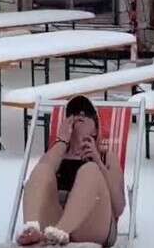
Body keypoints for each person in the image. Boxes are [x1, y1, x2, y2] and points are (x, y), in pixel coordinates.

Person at [15, 95, 125, 246]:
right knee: (42, 170)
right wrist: (62, 141)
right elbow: (37, 183)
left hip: (92, 224)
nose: (79, 115)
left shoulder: (106, 156)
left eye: (86, 113)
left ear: (95, 129)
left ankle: (58, 234)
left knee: (90, 170)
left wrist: (98, 162)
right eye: (72, 113)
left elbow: (118, 207)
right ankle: (32, 229)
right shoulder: (57, 153)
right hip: (54, 221)